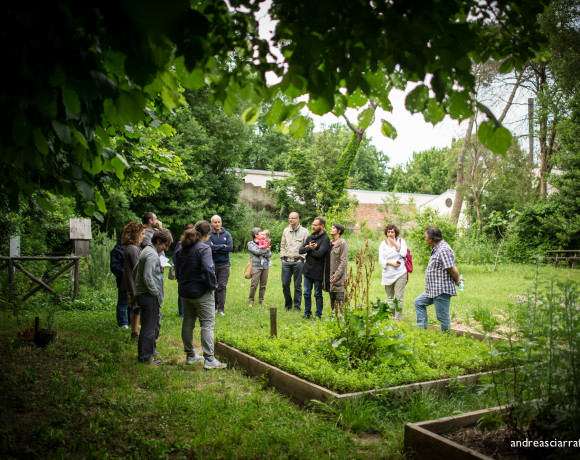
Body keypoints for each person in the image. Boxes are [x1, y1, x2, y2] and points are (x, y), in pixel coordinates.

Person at [174, 221, 227, 370]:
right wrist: (212, 286)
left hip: (184, 291)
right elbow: (209, 268)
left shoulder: (181, 246)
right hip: (200, 292)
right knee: (207, 324)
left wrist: (181, 281)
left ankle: (190, 355)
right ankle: (209, 359)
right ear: (207, 234)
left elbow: (175, 267)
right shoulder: (204, 248)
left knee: (188, 321)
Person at [133, 228, 173, 363]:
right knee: (148, 326)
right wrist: (154, 292)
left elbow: (135, 271)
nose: (166, 248)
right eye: (165, 245)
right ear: (158, 241)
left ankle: (149, 352)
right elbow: (146, 275)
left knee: (152, 324)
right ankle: (145, 357)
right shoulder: (151, 254)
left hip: (144, 293)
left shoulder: (148, 251)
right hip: (148, 295)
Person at [414, 226, 461, 332]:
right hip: (433, 289)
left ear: (430, 239)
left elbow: (451, 268)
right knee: (419, 302)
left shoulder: (443, 250)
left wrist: (457, 280)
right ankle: (422, 331)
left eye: (426, 237)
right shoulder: (438, 248)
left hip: (441, 289)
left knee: (442, 317)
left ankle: (445, 339)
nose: (425, 239)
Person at [299, 217, 330, 319]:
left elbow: (320, 254)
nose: (313, 226)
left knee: (317, 294)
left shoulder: (325, 239)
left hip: (318, 271)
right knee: (306, 293)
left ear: (322, 226)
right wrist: (309, 248)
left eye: (315, 225)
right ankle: (307, 313)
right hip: (307, 270)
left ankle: (318, 315)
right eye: (312, 224)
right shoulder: (310, 237)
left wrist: (311, 249)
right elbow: (300, 250)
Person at [280, 212, 309, 312]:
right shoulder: (286, 230)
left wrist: (302, 258)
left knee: (297, 285)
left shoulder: (305, 231)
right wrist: (282, 258)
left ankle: (297, 306)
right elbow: (282, 245)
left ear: (298, 219)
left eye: (293, 218)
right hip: (286, 261)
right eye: (289, 218)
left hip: (298, 261)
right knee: (285, 284)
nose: (290, 220)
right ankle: (288, 305)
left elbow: (307, 247)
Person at [121, 221, 146, 340]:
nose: (144, 236)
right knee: (138, 307)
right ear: (135, 234)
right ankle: (135, 332)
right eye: (142, 234)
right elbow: (138, 268)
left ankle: (134, 332)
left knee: (136, 308)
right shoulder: (133, 250)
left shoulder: (130, 248)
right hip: (134, 285)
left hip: (132, 284)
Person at [379, 224, 408, 321]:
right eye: (388, 232)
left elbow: (404, 253)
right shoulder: (383, 244)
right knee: (390, 298)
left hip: (400, 273)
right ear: (386, 233)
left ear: (395, 233)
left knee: (398, 297)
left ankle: (398, 319)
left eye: (392, 232)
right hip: (388, 274)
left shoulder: (401, 241)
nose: (390, 234)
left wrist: (395, 244)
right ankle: (391, 317)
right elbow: (380, 259)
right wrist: (391, 263)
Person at [207, 215, 233, 316]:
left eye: (219, 222)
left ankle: (221, 308)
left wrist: (216, 248)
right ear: (211, 223)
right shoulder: (209, 235)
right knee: (213, 286)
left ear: (221, 222)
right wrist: (223, 246)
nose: (217, 224)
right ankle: (214, 307)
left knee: (222, 286)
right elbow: (209, 247)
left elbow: (230, 247)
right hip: (212, 264)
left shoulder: (227, 234)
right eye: (215, 222)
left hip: (225, 264)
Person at [324, 223, 348, 313]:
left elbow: (344, 261)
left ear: (339, 231)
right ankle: (335, 317)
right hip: (329, 274)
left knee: (340, 298)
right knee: (332, 298)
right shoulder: (329, 243)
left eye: (333, 228)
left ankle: (342, 318)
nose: (331, 229)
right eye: (331, 227)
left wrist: (336, 275)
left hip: (339, 276)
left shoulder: (343, 243)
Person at [173, 223, 194, 318]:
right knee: (182, 293)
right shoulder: (180, 244)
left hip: (191, 272)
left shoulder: (195, 244)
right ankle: (182, 312)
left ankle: (190, 311)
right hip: (182, 272)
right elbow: (175, 258)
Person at [247, 227, 272, 307]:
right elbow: (256, 251)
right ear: (256, 235)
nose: (262, 235)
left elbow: (270, 254)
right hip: (255, 266)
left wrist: (264, 253)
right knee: (254, 285)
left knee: (263, 285)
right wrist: (266, 251)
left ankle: (261, 301)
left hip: (265, 266)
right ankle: (251, 301)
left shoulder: (265, 241)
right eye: (261, 234)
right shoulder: (250, 244)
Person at [110, 240, 129, 329]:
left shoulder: (136, 248)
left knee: (132, 302)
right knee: (123, 301)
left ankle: (132, 320)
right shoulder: (117, 250)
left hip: (133, 280)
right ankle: (123, 323)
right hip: (123, 280)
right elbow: (115, 267)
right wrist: (126, 274)